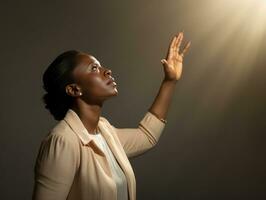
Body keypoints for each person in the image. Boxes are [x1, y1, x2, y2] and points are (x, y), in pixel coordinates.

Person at [32, 31, 191, 200]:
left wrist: (169, 81)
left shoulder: (105, 131)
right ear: (74, 89)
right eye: (94, 68)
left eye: (101, 66)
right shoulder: (63, 141)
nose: (106, 71)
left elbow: (147, 136)